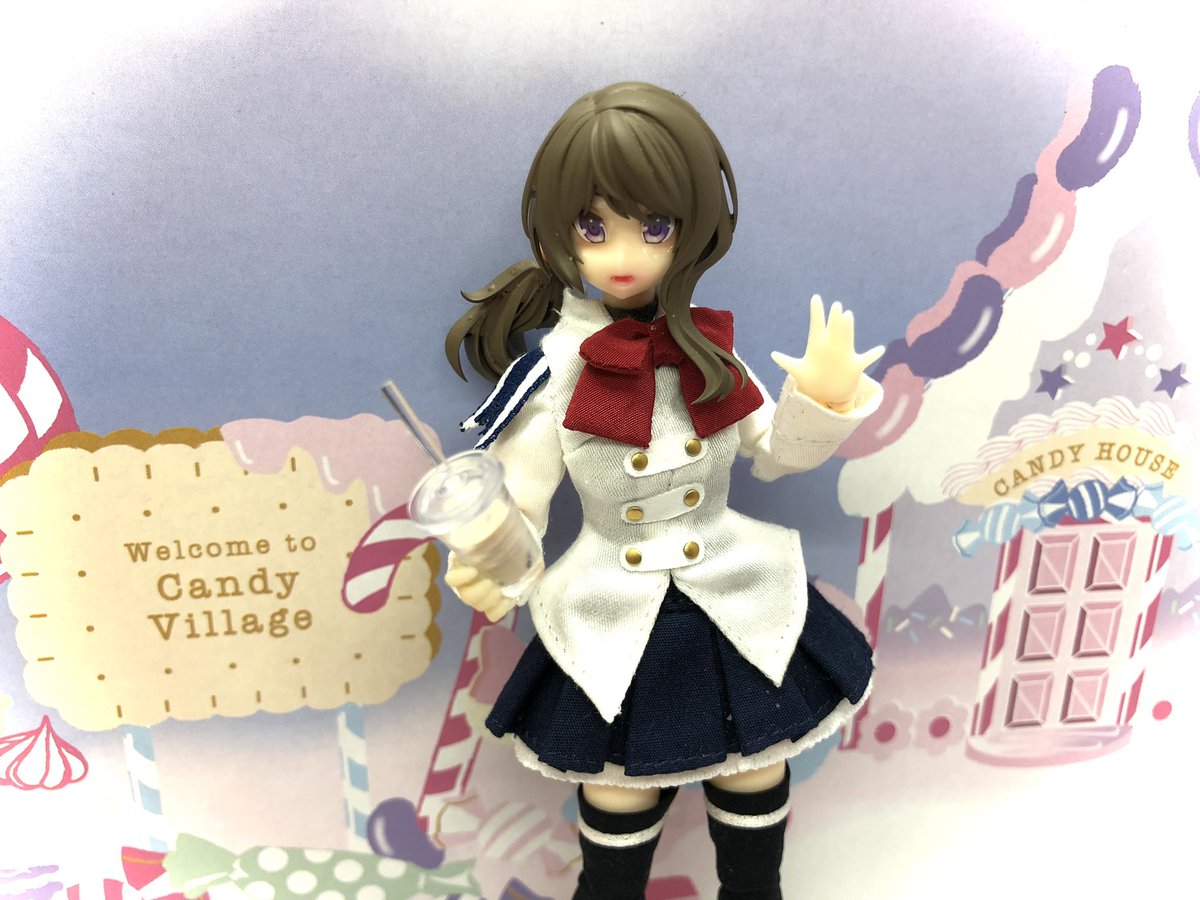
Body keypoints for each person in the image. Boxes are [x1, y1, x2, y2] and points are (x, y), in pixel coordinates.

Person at [444, 82, 883, 900]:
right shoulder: (554, 373)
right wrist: (490, 558)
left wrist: (822, 400)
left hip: (734, 588)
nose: (623, 253)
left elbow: (775, 455)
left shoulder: (708, 349)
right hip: (613, 601)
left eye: (654, 228)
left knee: (754, 768)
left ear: (692, 229)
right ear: (559, 230)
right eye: (593, 226)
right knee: (620, 789)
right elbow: (520, 507)